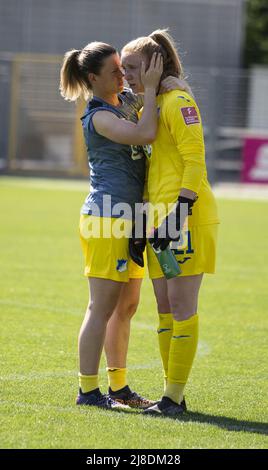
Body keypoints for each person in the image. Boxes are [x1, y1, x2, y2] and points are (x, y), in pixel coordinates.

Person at [121, 29, 220, 417]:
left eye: (131, 67)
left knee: (181, 307)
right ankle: (171, 395)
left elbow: (195, 160)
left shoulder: (177, 102)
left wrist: (179, 211)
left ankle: (173, 398)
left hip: (185, 218)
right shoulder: (153, 103)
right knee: (164, 307)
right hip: (157, 219)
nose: (125, 73)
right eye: (123, 68)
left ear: (152, 65)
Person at [60, 41, 163, 409]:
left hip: (132, 218)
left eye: (123, 68)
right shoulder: (98, 115)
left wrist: (166, 86)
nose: (123, 76)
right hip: (107, 218)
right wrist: (149, 90)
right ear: (92, 78)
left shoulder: (126, 103)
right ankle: (88, 391)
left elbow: (160, 110)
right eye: (115, 72)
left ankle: (118, 388)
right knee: (101, 307)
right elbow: (144, 133)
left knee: (127, 306)